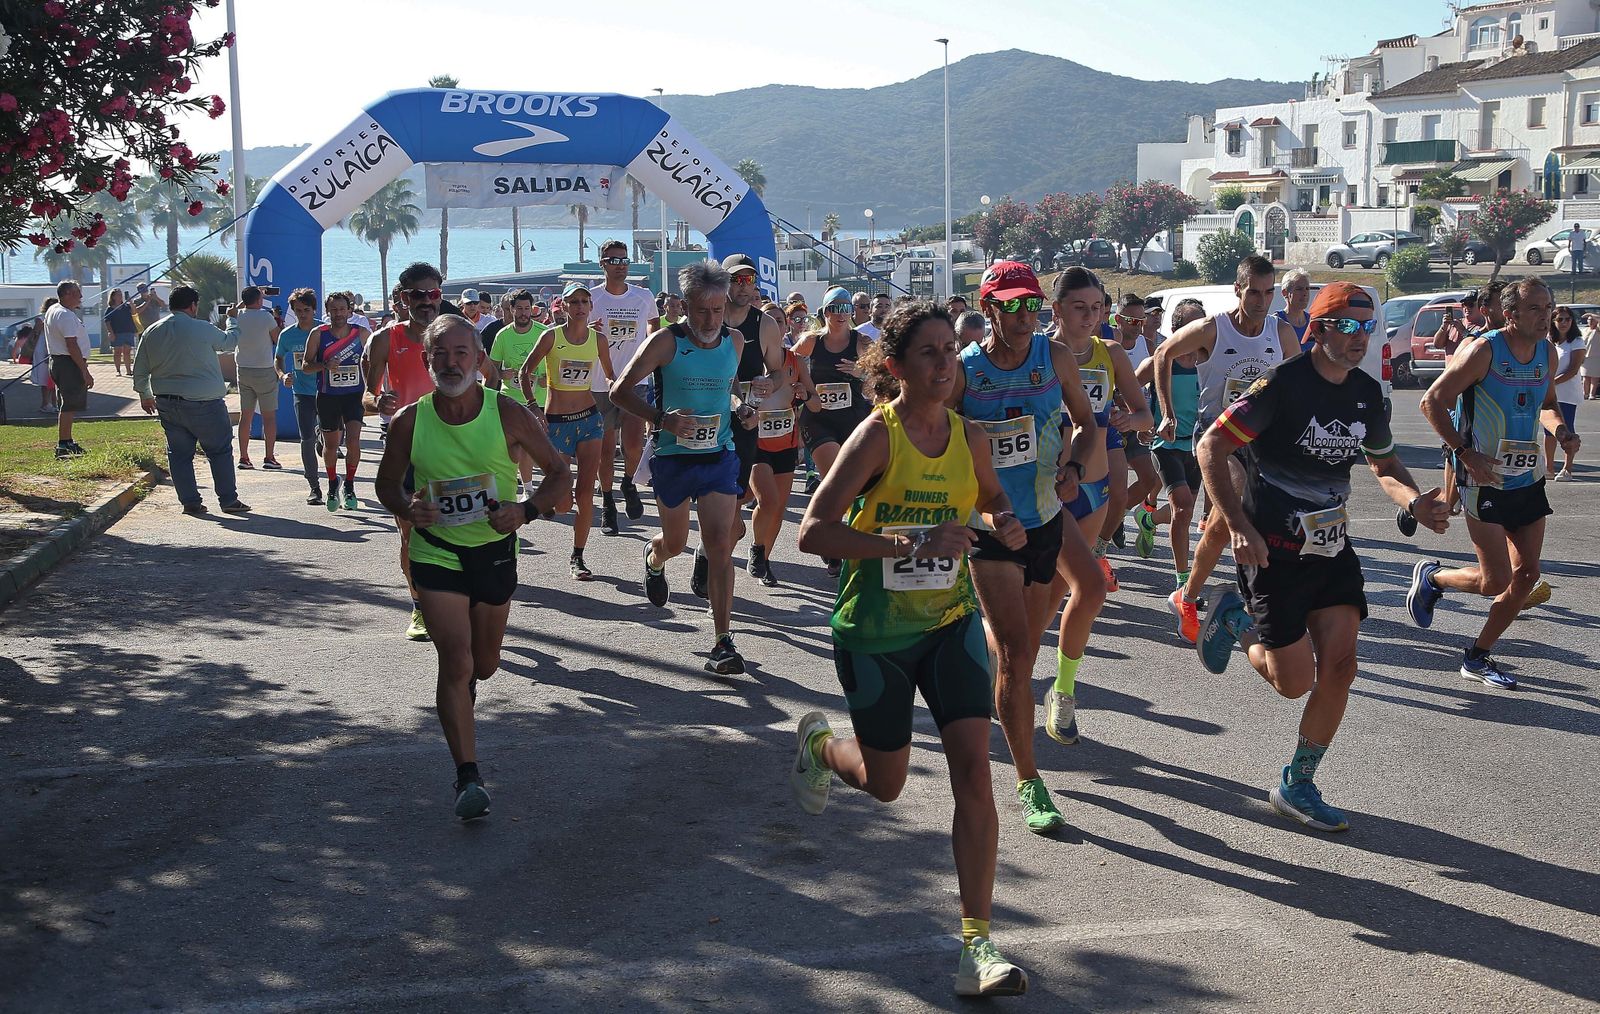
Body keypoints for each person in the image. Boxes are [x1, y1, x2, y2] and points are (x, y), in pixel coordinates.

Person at [790, 301, 1030, 998]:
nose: (944, 364)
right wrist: (906, 543)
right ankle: (821, 749)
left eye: (951, 352)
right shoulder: (876, 438)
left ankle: (977, 948)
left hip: (949, 624)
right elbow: (812, 533)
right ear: (894, 368)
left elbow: (987, 497)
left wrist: (1004, 520)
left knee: (975, 779)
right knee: (887, 784)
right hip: (876, 633)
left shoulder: (970, 436)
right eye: (928, 354)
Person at [1195, 281, 1449, 832]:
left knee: (1341, 666)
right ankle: (1235, 620)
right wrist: (1237, 525)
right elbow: (1211, 447)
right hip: (1272, 552)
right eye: (1349, 326)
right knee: (1293, 681)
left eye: (1369, 327)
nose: (1361, 338)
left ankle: (1298, 783)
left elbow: (1384, 465)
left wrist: (1414, 503)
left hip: (1330, 550)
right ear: (1321, 327)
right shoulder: (1279, 387)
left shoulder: (1364, 394)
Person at [375, 314, 570, 821]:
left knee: (484, 663)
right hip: (435, 550)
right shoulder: (409, 422)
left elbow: (558, 476)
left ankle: (467, 693)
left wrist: (525, 511)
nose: (451, 362)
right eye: (440, 353)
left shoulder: (506, 413)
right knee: (456, 662)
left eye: (462, 352)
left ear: (480, 361)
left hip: (494, 552)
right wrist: (406, 508)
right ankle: (467, 776)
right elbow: (385, 485)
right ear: (426, 360)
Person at [948, 260, 1101, 833]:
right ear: (987, 309)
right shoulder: (965, 372)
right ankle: (1029, 780)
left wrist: (1074, 469)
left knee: (1026, 651)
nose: (1023, 315)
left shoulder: (1054, 358)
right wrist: (982, 506)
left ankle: (1009, 693)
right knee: (1014, 652)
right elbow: (937, 441)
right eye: (1009, 305)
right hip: (991, 529)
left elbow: (1086, 424)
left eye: (1030, 304)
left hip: (1045, 519)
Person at [1410, 277, 1580, 689]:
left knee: (1527, 574)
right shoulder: (1483, 350)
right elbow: (1432, 401)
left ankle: (1477, 655)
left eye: (1548, 307)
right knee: (1495, 581)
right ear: (1512, 313)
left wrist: (1560, 432)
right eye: (1536, 309)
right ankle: (1433, 578)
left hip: (1527, 477)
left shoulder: (1549, 353)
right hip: (1482, 478)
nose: (1546, 316)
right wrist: (1465, 453)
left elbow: (1548, 406)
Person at [611, 260, 757, 674]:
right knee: (675, 543)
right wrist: (662, 419)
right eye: (701, 310)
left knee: (719, 544)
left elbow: (728, 392)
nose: (710, 319)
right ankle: (654, 559)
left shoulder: (736, 342)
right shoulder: (665, 342)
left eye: (716, 309)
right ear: (684, 306)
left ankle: (723, 642)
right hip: (674, 457)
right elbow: (621, 391)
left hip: (718, 455)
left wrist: (742, 409)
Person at [1153, 255, 1301, 642]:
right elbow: (1162, 355)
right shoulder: (1212, 330)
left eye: (1269, 293)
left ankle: (1187, 596)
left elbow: (1300, 381)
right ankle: (1250, 602)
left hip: (1261, 440)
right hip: (1218, 437)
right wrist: (1167, 414)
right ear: (1238, 289)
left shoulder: (1280, 333)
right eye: (1254, 292)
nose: (1261, 300)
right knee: (1237, 506)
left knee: (1221, 527)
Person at [367, 263, 447, 642]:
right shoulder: (385, 339)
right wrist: (377, 400)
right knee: (410, 535)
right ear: (403, 298)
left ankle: (453, 600)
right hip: (405, 449)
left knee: (458, 529)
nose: (427, 302)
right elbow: (366, 395)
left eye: (433, 294)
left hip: (453, 447)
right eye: (418, 295)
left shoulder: (453, 337)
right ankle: (418, 606)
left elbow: (489, 377)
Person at [702, 252, 789, 597]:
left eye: (749, 279)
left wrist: (772, 383)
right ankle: (702, 553)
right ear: (723, 283)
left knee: (732, 507)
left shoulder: (764, 324)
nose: (743, 286)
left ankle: (708, 559)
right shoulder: (708, 319)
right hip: (706, 419)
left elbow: (780, 371)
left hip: (744, 425)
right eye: (736, 279)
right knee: (709, 504)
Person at [521, 281, 614, 579]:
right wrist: (534, 408)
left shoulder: (598, 340)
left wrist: (618, 387)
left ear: (590, 307)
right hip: (557, 423)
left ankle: (578, 557)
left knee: (585, 494)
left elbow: (611, 375)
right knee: (563, 504)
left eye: (584, 301)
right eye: (573, 302)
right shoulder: (550, 337)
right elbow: (525, 372)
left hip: (589, 420)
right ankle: (552, 502)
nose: (579, 307)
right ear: (562, 306)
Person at [131, 286, 251, 516]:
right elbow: (228, 343)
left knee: (179, 454)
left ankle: (190, 502)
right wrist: (232, 321)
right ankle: (228, 500)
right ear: (193, 305)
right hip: (205, 402)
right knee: (219, 451)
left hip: (166, 402)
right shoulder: (201, 328)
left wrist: (145, 394)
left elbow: (141, 369)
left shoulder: (152, 331)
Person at [1134, 298, 1207, 618]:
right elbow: (1128, 387)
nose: (1200, 329)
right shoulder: (1161, 360)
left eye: (1203, 323)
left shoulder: (1211, 360)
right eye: (1193, 324)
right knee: (1183, 506)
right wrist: (1140, 422)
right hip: (1166, 445)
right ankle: (1182, 582)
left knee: (1183, 507)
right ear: (1176, 331)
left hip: (1198, 445)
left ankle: (1148, 519)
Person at [795, 287, 873, 577]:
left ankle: (839, 537)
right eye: (833, 309)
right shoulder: (810, 342)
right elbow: (787, 367)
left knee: (852, 485)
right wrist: (801, 389)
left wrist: (860, 372)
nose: (839, 315)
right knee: (834, 477)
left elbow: (883, 376)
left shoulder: (862, 342)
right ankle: (831, 540)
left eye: (844, 309)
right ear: (825, 313)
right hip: (818, 418)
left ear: (851, 313)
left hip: (853, 418)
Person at [589, 240, 660, 532]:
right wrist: (586, 331)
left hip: (634, 381)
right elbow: (576, 332)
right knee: (605, 451)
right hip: (600, 383)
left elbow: (654, 330)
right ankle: (607, 501)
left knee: (633, 446)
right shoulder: (591, 298)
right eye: (613, 260)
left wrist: (652, 354)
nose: (620, 266)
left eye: (624, 260)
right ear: (602, 264)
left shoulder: (643, 296)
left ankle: (628, 483)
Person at [748, 339, 816, 586]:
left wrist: (804, 394)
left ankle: (763, 561)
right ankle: (756, 546)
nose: (773, 329)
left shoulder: (795, 361)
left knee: (777, 509)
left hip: (785, 445)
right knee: (767, 501)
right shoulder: (747, 358)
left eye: (778, 323)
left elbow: (816, 404)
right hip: (755, 444)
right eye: (769, 322)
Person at [1099, 293, 1160, 568]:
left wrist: (1149, 420)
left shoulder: (1148, 345)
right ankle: (1099, 543)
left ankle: (1118, 514)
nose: (1137, 325)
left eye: (1141, 320)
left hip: (1135, 420)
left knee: (1150, 480)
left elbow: (1152, 387)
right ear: (1119, 320)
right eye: (1132, 320)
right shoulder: (1108, 343)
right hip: (1112, 421)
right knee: (1114, 486)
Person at [302, 292, 370, 511]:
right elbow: (305, 366)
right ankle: (333, 483)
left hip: (353, 395)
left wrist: (374, 387)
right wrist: (324, 365)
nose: (338, 314)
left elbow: (376, 359)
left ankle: (349, 484)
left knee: (353, 442)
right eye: (334, 310)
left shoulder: (361, 334)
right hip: (328, 396)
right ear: (327, 311)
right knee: (331, 445)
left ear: (350, 311)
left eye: (342, 309)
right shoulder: (318, 334)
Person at [485, 289, 549, 494]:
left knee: (537, 446)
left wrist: (545, 379)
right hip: (511, 398)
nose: (523, 313)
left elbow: (555, 363)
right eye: (519, 309)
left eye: (527, 309)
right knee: (515, 446)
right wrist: (502, 374)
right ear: (511, 310)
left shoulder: (542, 332)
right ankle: (526, 488)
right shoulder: (502, 335)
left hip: (539, 397)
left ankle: (548, 487)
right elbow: (491, 367)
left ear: (533, 310)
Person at [275, 288, 326, 504]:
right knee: (306, 439)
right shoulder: (287, 335)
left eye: (306, 310)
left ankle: (321, 435)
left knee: (332, 439)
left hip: (327, 392)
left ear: (314, 309)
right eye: (298, 310)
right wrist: (282, 375)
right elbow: (278, 358)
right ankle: (314, 486)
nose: (303, 314)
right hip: (302, 393)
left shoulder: (324, 330)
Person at [226, 286, 284, 471]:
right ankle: (269, 456)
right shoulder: (266, 317)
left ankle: (244, 456)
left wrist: (245, 300)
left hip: (243, 369)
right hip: (264, 369)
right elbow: (277, 339)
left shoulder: (237, 316)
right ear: (259, 300)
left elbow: (235, 312)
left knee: (246, 416)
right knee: (269, 417)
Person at [42, 280, 92, 459]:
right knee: (69, 404)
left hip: (59, 361)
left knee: (67, 403)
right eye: (78, 293)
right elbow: (71, 345)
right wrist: (84, 371)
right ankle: (64, 444)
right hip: (68, 363)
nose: (81, 296)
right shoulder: (65, 315)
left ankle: (67, 440)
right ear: (68, 294)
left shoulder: (54, 310)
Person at [1546, 307, 1586, 481]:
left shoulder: (1576, 342)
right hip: (1549, 394)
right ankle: (1548, 468)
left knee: (1567, 429)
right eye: (1559, 319)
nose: (1563, 323)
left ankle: (1567, 469)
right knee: (1549, 431)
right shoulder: (1549, 341)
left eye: (1567, 319)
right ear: (1553, 322)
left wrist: (1551, 383)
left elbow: (1572, 370)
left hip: (1567, 394)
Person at [1274, 268, 1313, 352]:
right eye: (1299, 289)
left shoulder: (1313, 323)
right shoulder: (1276, 323)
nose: (1305, 293)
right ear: (1285, 293)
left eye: (1307, 289)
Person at [103, 289, 138, 377]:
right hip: (117, 332)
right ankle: (118, 370)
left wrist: (131, 303)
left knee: (127, 351)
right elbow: (107, 321)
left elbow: (134, 312)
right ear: (113, 297)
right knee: (117, 351)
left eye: (121, 294)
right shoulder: (110, 309)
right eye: (118, 295)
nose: (120, 296)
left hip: (128, 331)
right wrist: (110, 332)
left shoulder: (126, 306)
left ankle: (128, 370)